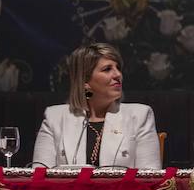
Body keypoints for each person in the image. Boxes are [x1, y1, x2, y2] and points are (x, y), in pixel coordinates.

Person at [32, 42, 161, 169]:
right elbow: (39, 176)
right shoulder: (54, 117)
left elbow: (150, 177)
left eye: (118, 68)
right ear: (85, 82)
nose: (118, 75)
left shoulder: (140, 116)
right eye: (107, 69)